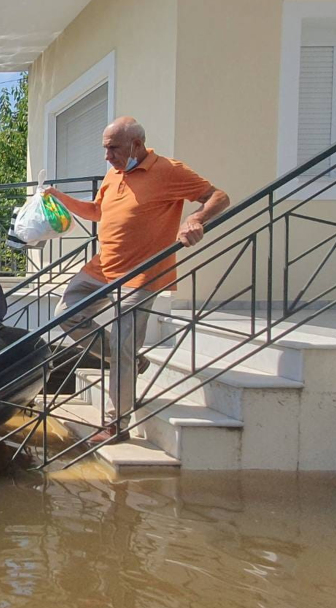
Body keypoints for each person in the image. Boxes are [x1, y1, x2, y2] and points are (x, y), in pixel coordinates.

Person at [44, 116, 230, 444]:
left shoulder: (169, 170)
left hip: (142, 274)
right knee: (66, 315)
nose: (107, 156)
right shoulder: (114, 173)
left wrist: (196, 218)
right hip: (102, 268)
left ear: (137, 145)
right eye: (105, 148)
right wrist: (60, 198)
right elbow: (97, 212)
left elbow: (218, 196)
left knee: (124, 341)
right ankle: (130, 360)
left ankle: (118, 424)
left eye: (113, 148)